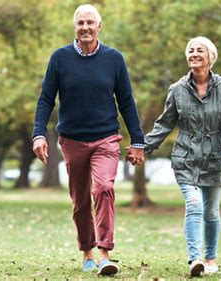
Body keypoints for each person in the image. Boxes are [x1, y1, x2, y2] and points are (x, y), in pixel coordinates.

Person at [32, 4, 144, 276]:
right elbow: (46, 98)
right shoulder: (59, 58)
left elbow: (126, 101)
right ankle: (87, 252)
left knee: (104, 187)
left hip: (106, 138)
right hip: (71, 141)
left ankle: (105, 253)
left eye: (90, 22)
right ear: (74, 27)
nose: (85, 27)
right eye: (80, 22)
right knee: (80, 199)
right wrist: (38, 134)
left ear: (99, 27)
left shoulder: (114, 59)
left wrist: (138, 141)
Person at [128, 36, 221, 276]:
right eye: (190, 50)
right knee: (194, 204)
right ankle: (195, 259)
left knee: (211, 211)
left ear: (211, 57)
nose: (194, 54)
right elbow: (164, 124)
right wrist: (143, 147)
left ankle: (210, 258)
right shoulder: (178, 90)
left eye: (200, 50)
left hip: (215, 158)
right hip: (185, 158)